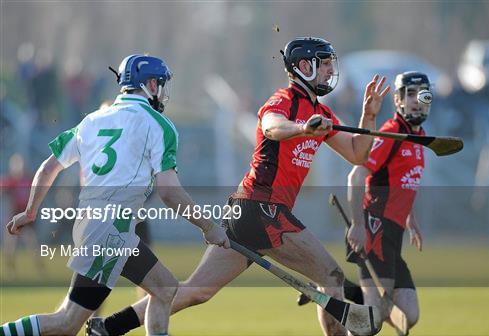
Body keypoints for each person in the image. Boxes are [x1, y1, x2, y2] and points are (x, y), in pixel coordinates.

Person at [86, 37, 389, 336]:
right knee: (331, 275)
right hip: (264, 209)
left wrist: (370, 115)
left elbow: (356, 152)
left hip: (248, 211)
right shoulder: (284, 100)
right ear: (304, 66)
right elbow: (271, 126)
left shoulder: (322, 114)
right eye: (323, 64)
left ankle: (110, 327)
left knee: (196, 291)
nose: (328, 71)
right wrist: (301, 127)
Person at [1, 54, 229, 336]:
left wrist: (31, 210)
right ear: (150, 84)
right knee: (66, 322)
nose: (162, 90)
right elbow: (169, 191)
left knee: (165, 288)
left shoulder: (92, 120)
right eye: (160, 83)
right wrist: (209, 227)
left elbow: (49, 167)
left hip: (100, 227)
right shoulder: (159, 125)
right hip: (110, 231)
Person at [346, 71, 430, 333]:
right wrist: (358, 225)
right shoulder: (391, 133)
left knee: (409, 315)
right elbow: (356, 175)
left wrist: (410, 219)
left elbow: (404, 181)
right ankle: (347, 310)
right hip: (374, 229)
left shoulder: (419, 135)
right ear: (398, 100)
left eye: (422, 94)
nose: (416, 101)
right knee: (373, 319)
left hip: (395, 235)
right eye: (410, 94)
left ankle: (342, 293)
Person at [1, 153, 46, 279]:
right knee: (10, 246)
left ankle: (40, 269)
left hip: (27, 218)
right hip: (14, 216)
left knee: (33, 244)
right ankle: (11, 271)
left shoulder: (29, 180)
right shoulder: (10, 181)